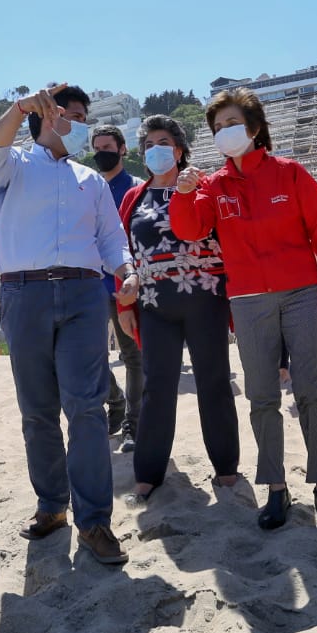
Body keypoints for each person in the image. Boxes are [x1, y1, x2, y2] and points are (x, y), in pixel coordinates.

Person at [170, 87, 317, 533]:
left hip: (302, 293)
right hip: (248, 300)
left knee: (311, 391)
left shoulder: (289, 173)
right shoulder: (213, 185)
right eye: (217, 128)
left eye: (232, 123)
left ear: (253, 128)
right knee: (262, 396)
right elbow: (190, 229)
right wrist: (184, 193)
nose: (225, 133)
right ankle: (276, 488)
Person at [0, 83, 136, 565]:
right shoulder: (11, 166)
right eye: (78, 114)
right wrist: (21, 105)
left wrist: (126, 273)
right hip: (24, 293)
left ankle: (94, 521)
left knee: (86, 408)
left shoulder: (91, 180)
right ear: (51, 115)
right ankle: (52, 506)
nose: (85, 124)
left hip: (86, 294)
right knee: (37, 409)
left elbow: (112, 239)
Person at [115, 115, 239, 503]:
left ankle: (226, 469)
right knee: (157, 388)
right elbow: (124, 251)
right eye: (149, 144)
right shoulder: (134, 197)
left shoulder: (205, 187)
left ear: (180, 149)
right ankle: (148, 472)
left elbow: (229, 236)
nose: (157, 150)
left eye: (164, 142)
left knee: (214, 383)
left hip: (206, 299)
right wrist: (127, 286)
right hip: (154, 306)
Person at [91, 124, 144, 454]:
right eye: (96, 147)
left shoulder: (135, 189)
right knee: (92, 357)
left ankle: (133, 426)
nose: (101, 153)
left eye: (108, 146)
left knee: (132, 357)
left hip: (124, 284)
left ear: (123, 149)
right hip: (90, 284)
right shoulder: (90, 187)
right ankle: (116, 401)